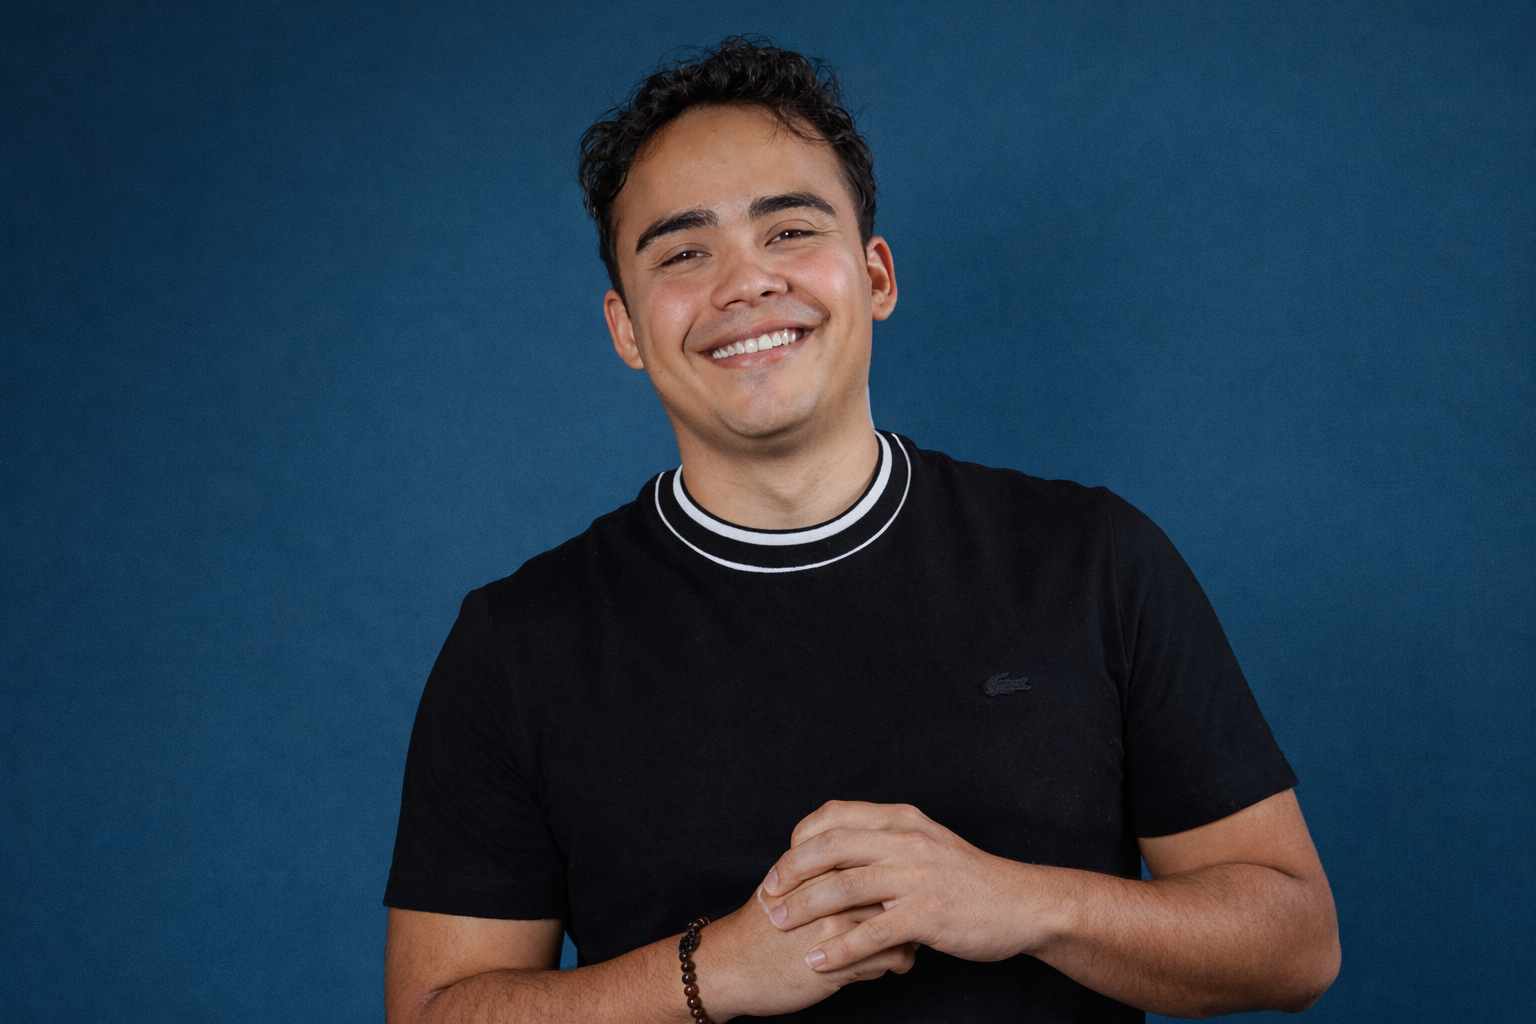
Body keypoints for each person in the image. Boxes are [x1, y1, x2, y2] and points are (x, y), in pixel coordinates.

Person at [381, 37, 1340, 1023]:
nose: (744, 283)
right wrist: (714, 972)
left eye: (789, 231)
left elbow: (1294, 940)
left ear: (875, 275)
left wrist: (1021, 901)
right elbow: (432, 1012)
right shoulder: (519, 644)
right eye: (683, 252)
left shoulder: (1090, 559)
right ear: (626, 326)